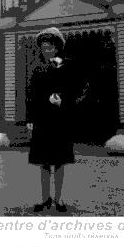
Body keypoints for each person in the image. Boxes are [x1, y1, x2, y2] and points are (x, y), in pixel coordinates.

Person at [26, 27, 77, 213]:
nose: (46, 51)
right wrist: (30, 119)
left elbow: (76, 90)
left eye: (49, 48)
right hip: (42, 120)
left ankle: (59, 199)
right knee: (44, 162)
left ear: (57, 48)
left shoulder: (68, 66)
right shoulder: (37, 69)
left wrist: (64, 100)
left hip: (61, 120)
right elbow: (31, 95)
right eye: (43, 48)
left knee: (60, 161)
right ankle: (45, 199)